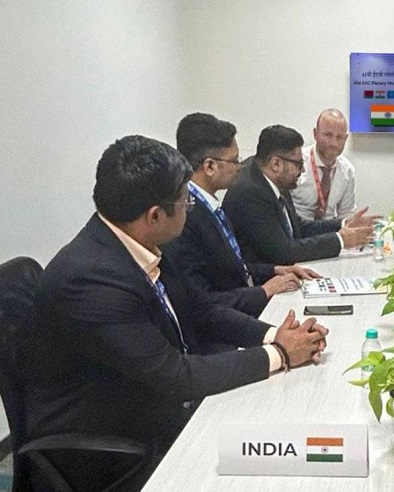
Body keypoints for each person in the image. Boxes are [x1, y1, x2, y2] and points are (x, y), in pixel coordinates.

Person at [24, 136, 328, 491]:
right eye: (185, 201)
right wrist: (280, 355)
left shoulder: (139, 243)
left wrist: (275, 336)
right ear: (155, 215)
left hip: (151, 394)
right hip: (111, 441)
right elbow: (176, 376)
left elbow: (202, 310)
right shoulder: (89, 280)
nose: (190, 208)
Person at [162, 113, 320, 317]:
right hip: (228, 322)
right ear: (209, 166)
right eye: (235, 161)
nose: (240, 167)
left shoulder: (209, 205)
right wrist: (264, 291)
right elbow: (202, 302)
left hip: (242, 307)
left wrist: (275, 270)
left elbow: (232, 269)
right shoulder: (185, 217)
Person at [225, 125, 377, 265]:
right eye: (298, 164)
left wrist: (343, 224)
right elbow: (285, 252)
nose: (303, 170)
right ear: (276, 164)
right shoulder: (251, 193)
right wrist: (341, 240)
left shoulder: (273, 176)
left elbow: (297, 227)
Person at [291, 108, 357, 220]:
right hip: (296, 227)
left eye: (339, 137)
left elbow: (346, 213)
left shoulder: (347, 170)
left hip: (329, 228)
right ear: (315, 134)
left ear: (346, 139)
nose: (334, 143)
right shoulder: (296, 162)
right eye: (328, 135)